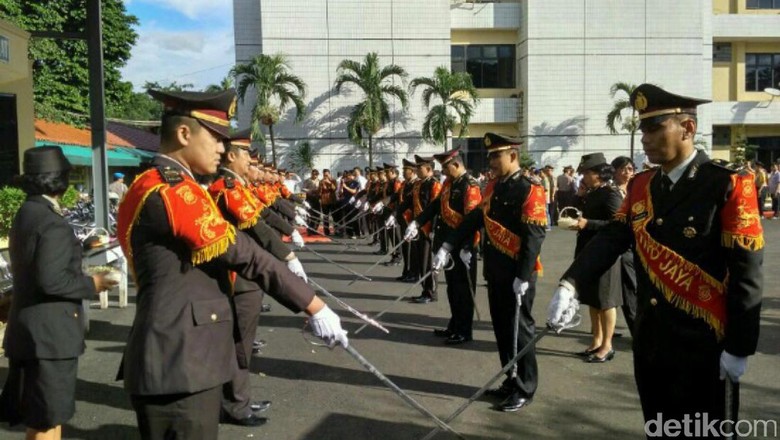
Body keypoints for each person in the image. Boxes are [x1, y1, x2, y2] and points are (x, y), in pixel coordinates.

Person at [115, 89, 347, 440]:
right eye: (216, 138)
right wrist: (313, 305)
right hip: (180, 362)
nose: (222, 150)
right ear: (183, 134)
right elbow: (244, 253)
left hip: (184, 357)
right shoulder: (173, 191)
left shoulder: (160, 184)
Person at [549, 84, 763, 432]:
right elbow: (613, 237)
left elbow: (746, 271)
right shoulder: (642, 185)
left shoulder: (727, 184)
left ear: (687, 129)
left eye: (654, 128)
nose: (645, 139)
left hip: (705, 347)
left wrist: (740, 347)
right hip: (651, 342)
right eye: (642, 129)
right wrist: (570, 284)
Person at [0, 146, 118, 440]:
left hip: (32, 331)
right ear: (60, 181)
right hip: (50, 338)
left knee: (41, 416)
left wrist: (79, 248)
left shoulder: (29, 212)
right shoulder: (51, 222)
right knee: (48, 419)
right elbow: (51, 280)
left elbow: (37, 261)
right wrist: (94, 284)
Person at [434, 133, 547, 412]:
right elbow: (475, 218)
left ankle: (525, 387)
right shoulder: (493, 186)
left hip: (518, 274)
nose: (492, 161)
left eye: (497, 155)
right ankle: (510, 378)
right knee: (502, 330)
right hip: (495, 270)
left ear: (513, 155)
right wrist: (449, 244)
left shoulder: (530, 187)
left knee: (520, 331)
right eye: (490, 156)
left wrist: (523, 275)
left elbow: (534, 236)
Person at [208, 129, 308, 427]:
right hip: (238, 277)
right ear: (232, 156)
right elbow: (257, 227)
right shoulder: (227, 186)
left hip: (245, 275)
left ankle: (238, 399)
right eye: (247, 158)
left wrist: (291, 230)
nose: (250, 164)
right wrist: (287, 257)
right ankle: (235, 404)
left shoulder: (236, 185)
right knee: (239, 344)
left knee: (240, 342)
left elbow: (263, 214)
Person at [405, 148, 482, 344]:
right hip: (447, 245)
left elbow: (472, 221)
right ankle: (454, 326)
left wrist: (467, 247)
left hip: (462, 246)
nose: (444, 171)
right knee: (453, 289)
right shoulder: (449, 183)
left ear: (456, 165)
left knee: (464, 290)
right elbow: (434, 206)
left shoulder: (470, 185)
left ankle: (464, 331)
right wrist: (417, 222)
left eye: (446, 167)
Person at [569, 153, 623, 362]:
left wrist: (588, 223)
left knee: (606, 301)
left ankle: (607, 345)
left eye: (587, 173)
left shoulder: (611, 194)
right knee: (592, 299)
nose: (583, 177)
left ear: (599, 173)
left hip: (605, 253)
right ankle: (596, 340)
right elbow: (578, 213)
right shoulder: (592, 193)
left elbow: (618, 225)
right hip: (588, 251)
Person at [395, 155, 442, 303]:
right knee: (421, 261)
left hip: (428, 229)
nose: (416, 170)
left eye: (419, 167)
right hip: (418, 227)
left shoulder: (434, 185)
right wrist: (395, 213)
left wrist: (433, 229)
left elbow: (435, 209)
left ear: (428, 169)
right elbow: (408, 201)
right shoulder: (418, 184)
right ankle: (425, 290)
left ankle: (431, 292)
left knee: (428, 263)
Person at [611, 156, 638, 335]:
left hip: (640, 246)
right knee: (629, 291)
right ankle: (637, 330)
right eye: (623, 169)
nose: (627, 173)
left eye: (630, 169)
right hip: (623, 248)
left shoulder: (638, 189)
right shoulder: (612, 192)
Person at [319, 169, 337, 235]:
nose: (325, 176)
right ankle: (326, 231)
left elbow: (334, 189)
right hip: (324, 201)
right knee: (325, 217)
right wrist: (321, 187)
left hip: (332, 201)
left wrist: (329, 183)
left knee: (335, 216)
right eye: (324, 175)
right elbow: (319, 192)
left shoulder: (333, 180)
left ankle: (336, 230)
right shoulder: (321, 181)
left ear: (329, 174)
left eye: (327, 175)